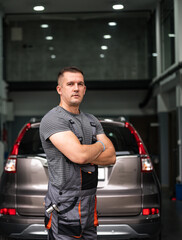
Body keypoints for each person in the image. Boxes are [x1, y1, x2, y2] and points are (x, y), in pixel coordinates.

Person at [39, 66, 116, 240]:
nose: (76, 88)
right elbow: (79, 156)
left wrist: (88, 152)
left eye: (80, 84)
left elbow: (112, 157)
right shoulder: (53, 119)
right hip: (65, 204)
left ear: (85, 89)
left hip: (89, 201)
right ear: (59, 89)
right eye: (70, 84)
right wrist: (100, 146)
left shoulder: (91, 120)